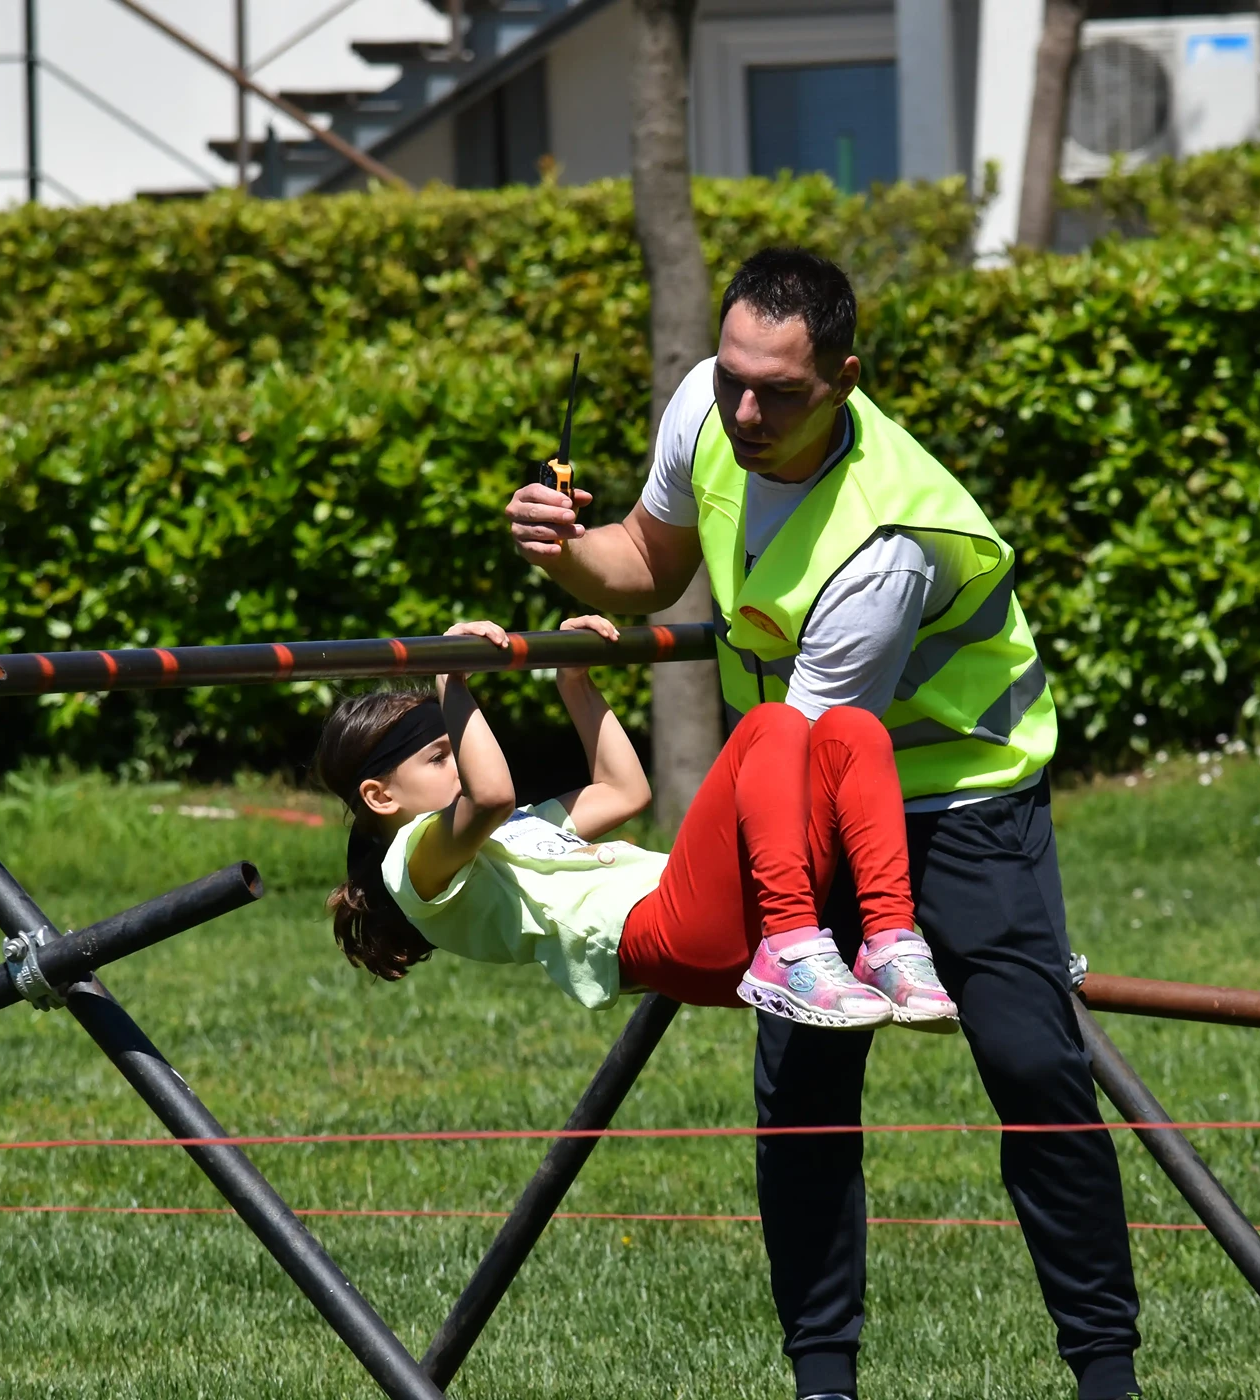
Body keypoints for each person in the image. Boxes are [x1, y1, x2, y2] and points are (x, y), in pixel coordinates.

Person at [504, 249, 1144, 1400]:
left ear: (844, 379)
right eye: (734, 378)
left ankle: (1107, 1376)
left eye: (780, 392)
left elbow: (804, 757)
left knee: (1032, 1064)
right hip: (814, 771)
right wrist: (563, 550)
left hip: (962, 793)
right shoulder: (707, 402)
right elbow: (644, 563)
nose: (745, 413)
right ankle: (824, 1384)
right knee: (801, 1078)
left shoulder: (885, 540)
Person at [318, 615, 960, 1032]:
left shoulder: (517, 830)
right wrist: (451, 684)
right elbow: (490, 795)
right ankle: (791, 948)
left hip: (719, 918)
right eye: (440, 756)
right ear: (380, 797)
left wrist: (575, 683)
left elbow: (623, 791)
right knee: (769, 725)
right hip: (661, 935)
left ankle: (890, 944)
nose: (460, 760)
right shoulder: (413, 862)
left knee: (849, 730)